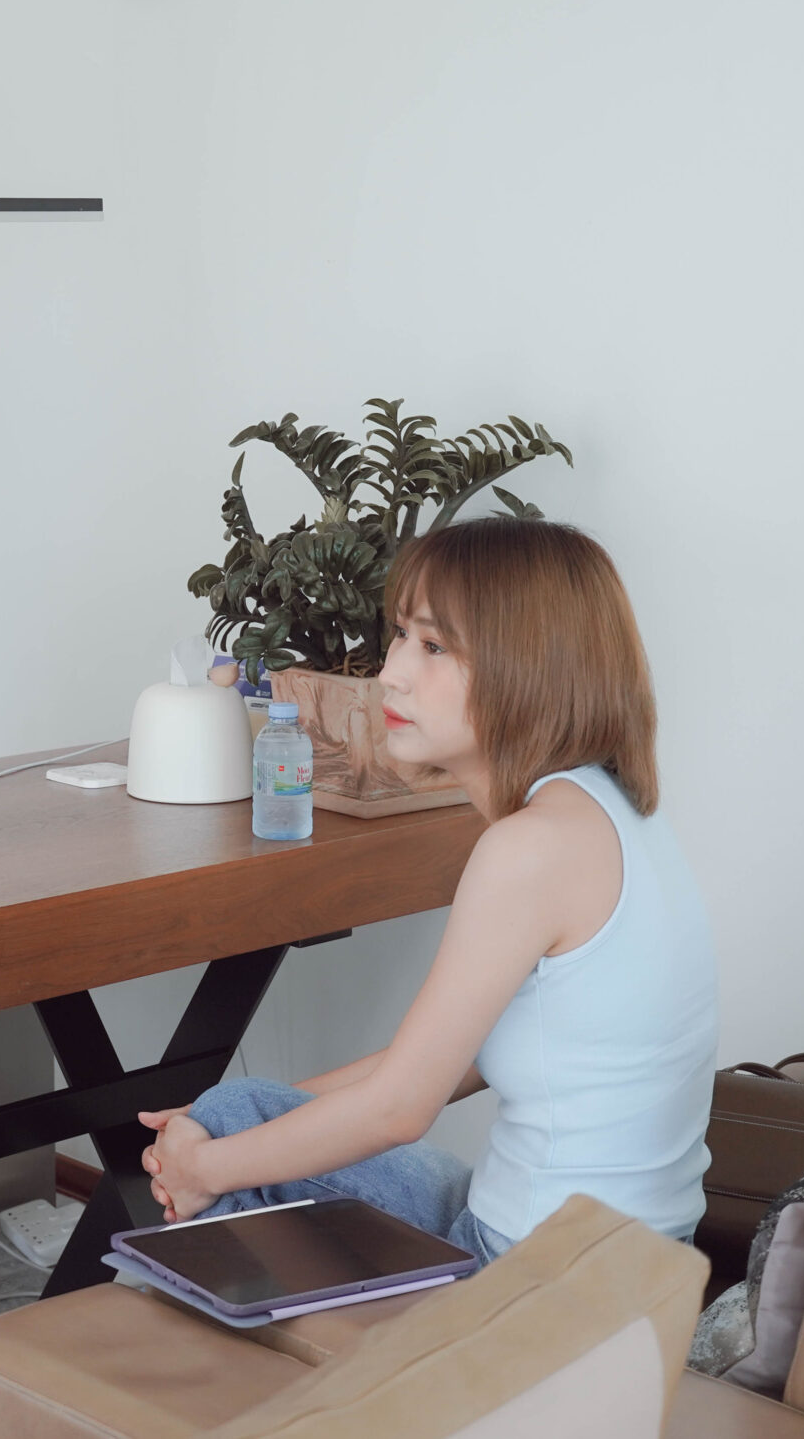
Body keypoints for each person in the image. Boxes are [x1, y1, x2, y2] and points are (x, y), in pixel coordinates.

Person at [137, 519, 718, 1263]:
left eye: (434, 646)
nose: (392, 673)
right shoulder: (613, 812)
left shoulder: (530, 848)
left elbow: (399, 1108)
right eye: (402, 636)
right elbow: (442, 1061)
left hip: (533, 1280)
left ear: (530, 666)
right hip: (626, 1265)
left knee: (222, 1144)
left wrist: (206, 1165)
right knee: (232, 1114)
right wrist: (245, 1121)